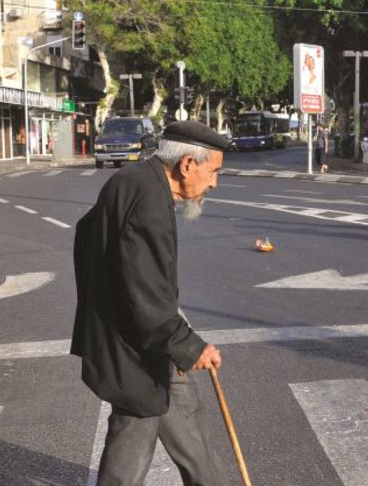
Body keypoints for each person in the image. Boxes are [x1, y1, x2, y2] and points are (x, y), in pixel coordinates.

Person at [72, 120, 229, 486]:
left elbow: (89, 236)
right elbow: (143, 290)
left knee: (186, 419)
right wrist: (189, 344)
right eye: (214, 172)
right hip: (136, 347)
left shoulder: (132, 181)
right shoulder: (149, 202)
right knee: (135, 428)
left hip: (153, 342)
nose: (214, 183)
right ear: (188, 164)